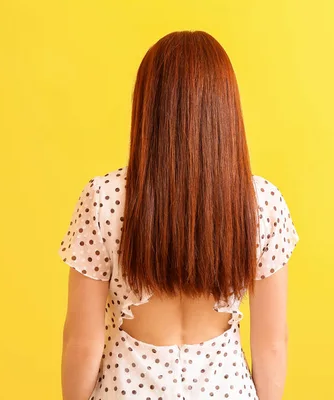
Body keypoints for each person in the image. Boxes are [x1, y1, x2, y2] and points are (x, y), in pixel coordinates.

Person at [57, 30, 300, 400]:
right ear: (225, 107)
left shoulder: (103, 198)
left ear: (147, 106)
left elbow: (81, 344)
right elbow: (271, 346)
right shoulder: (262, 202)